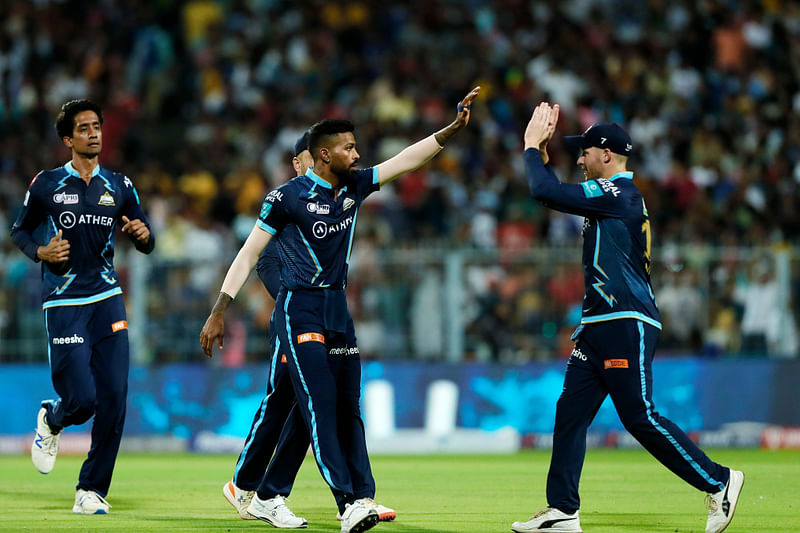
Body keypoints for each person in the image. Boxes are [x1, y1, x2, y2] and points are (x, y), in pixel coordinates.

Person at [201, 86, 480, 533]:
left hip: (337, 311)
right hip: (299, 310)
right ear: (324, 155)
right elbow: (250, 253)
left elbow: (406, 160)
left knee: (344, 404)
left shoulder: (354, 186)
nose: (358, 152)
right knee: (318, 403)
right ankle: (348, 501)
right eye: (349, 147)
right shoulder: (286, 197)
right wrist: (220, 309)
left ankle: (295, 491)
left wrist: (450, 130)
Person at [512, 102, 743, 533]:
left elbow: (546, 192)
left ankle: (720, 480)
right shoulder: (608, 198)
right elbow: (555, 191)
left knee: (639, 416)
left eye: (584, 152)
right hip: (599, 326)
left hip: (625, 320)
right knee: (570, 415)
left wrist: (529, 147)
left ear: (607, 154)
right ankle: (562, 509)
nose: (579, 159)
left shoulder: (620, 193)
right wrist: (541, 157)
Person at [221, 132, 396, 528]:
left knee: (301, 407)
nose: (300, 169)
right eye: (296, 162)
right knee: (289, 405)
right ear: (298, 164)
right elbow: (261, 265)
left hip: (326, 318)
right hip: (295, 321)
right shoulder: (284, 209)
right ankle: (259, 486)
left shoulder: (328, 200)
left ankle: (263, 489)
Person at [10, 99, 155, 514]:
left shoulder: (120, 186)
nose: (94, 133)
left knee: (115, 398)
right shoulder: (46, 184)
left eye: (97, 126)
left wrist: (143, 236)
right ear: (68, 139)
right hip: (64, 300)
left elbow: (146, 238)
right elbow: (19, 230)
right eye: (84, 128)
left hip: (107, 298)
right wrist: (40, 251)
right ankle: (54, 418)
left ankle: (91, 490)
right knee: (83, 400)